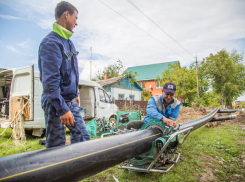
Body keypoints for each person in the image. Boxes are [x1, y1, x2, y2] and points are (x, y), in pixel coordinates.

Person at [38, 1, 90, 148]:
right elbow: (49, 83)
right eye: (76, 17)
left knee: (83, 137)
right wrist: (62, 109)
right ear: (66, 14)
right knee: (57, 147)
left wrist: (75, 94)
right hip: (55, 101)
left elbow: (72, 72)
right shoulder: (51, 43)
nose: (76, 22)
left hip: (69, 99)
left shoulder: (69, 43)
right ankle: (53, 170)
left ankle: (78, 171)